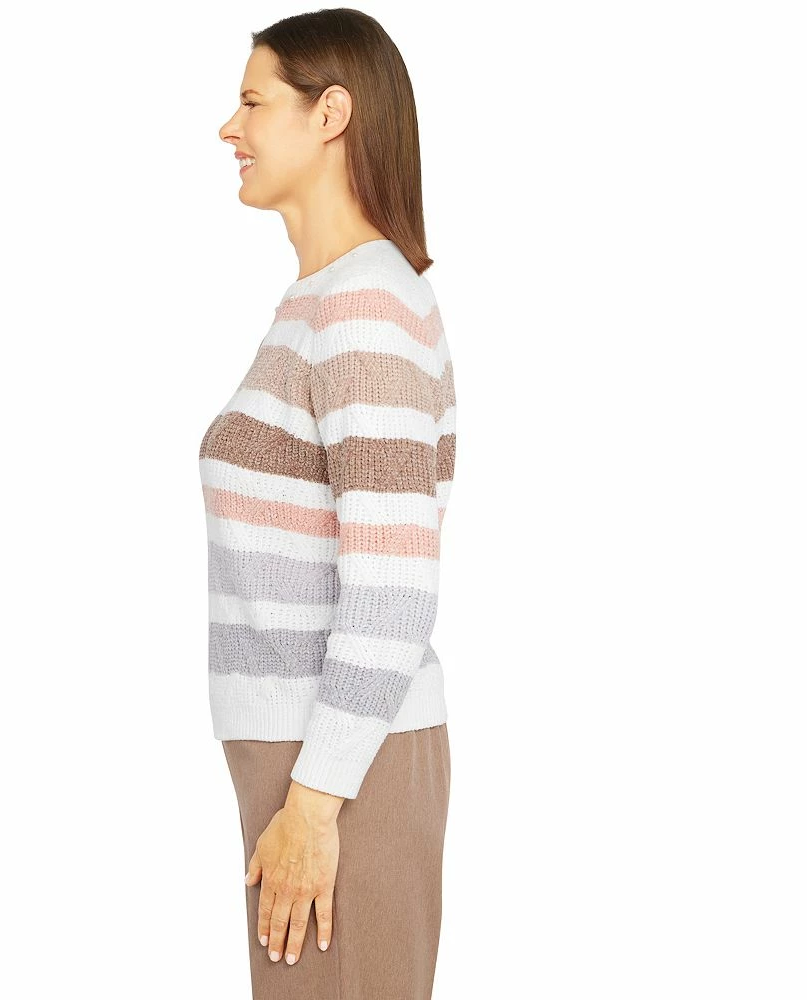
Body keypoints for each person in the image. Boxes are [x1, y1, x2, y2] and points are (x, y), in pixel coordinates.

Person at [201, 9, 457, 998]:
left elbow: (392, 590)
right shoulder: (322, 301)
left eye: (253, 101)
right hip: (313, 759)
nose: (228, 127)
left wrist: (313, 803)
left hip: (340, 768)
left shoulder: (363, 307)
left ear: (330, 114)